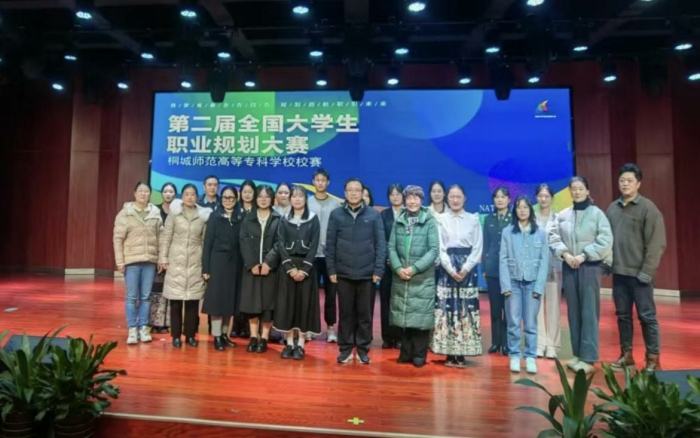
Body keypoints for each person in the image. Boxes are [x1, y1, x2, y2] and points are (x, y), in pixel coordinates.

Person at [606, 163, 667, 372]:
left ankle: (653, 360)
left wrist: (647, 272)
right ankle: (626, 355)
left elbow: (657, 244)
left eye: (630, 181)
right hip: (619, 274)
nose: (625, 184)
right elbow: (606, 240)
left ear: (638, 183)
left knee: (647, 317)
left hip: (641, 276)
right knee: (622, 316)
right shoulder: (612, 208)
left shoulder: (648, 208)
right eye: (622, 180)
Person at [549, 176, 613, 374]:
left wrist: (584, 255)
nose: (576, 192)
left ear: (587, 191)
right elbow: (553, 237)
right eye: (573, 189)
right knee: (574, 311)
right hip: (570, 266)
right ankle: (577, 354)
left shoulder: (597, 214)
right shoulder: (563, 215)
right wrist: (566, 255)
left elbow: (605, 240)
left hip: (590, 267)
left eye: (580, 189)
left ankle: (589, 357)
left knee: (588, 312)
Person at [326, 178, 386, 364]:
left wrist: (378, 269)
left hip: (367, 273)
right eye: (350, 190)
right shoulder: (336, 215)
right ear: (345, 193)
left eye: (357, 190)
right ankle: (345, 348)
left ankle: (362, 348)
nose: (353, 193)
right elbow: (330, 244)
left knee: (364, 314)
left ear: (362, 193)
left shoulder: (373, 215)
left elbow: (380, 244)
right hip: (343, 272)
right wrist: (331, 268)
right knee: (345, 313)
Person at [432, 184, 483, 366]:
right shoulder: (440, 219)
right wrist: (450, 269)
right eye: (452, 196)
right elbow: (440, 247)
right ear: (447, 198)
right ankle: (448, 351)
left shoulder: (473, 220)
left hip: (467, 269)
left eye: (458, 196)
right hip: (447, 269)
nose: (455, 200)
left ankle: (462, 352)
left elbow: (477, 247)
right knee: (447, 308)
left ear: (464, 198)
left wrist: (466, 268)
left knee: (465, 309)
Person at [388, 185, 439, 368]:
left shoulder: (429, 220)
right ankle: (406, 352)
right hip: (401, 275)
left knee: (420, 315)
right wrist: (398, 268)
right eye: (409, 198)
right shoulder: (399, 219)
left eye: (416, 198)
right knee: (404, 315)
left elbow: (433, 250)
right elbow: (391, 247)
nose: (412, 201)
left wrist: (414, 268)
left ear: (421, 200)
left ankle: (419, 354)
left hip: (421, 276)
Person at [500, 196, 549, 374]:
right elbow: (503, 259)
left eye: (525, 207)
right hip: (513, 283)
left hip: (532, 283)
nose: (522, 211)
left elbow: (544, 261)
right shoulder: (508, 232)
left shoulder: (540, 232)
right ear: (515, 210)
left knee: (530, 323)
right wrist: (505, 285)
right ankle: (514, 355)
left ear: (530, 210)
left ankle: (530, 357)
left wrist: (539, 287)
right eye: (519, 207)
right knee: (513, 322)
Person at [159, 184, 212, 348]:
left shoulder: (203, 216)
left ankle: (190, 335)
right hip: (176, 261)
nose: (190, 197)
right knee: (175, 302)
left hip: (195, 262)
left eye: (193, 194)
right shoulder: (174, 214)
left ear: (197, 196)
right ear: (182, 196)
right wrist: (163, 258)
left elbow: (205, 242)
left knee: (192, 302)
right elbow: (166, 237)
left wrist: (205, 264)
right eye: (187, 194)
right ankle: (175, 335)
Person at [113, 181, 163, 345]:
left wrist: (161, 258)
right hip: (131, 261)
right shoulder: (125, 213)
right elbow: (118, 239)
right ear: (134, 194)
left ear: (150, 194)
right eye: (140, 191)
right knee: (131, 297)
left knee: (146, 297)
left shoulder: (155, 213)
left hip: (150, 261)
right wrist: (120, 261)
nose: (143, 194)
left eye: (146, 191)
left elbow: (161, 238)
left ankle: (143, 328)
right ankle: (132, 329)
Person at [275, 186, 321, 360]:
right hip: (288, 269)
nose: (297, 199)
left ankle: (300, 345)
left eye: (300, 196)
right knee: (287, 306)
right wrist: (290, 268)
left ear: (305, 199)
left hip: (306, 269)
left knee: (304, 305)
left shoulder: (313, 219)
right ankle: (288, 343)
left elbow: (314, 245)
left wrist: (304, 269)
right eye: (294, 196)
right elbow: (280, 245)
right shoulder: (284, 219)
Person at [239, 185, 282, 354]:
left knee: (267, 304)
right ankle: (253, 336)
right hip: (252, 268)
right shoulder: (248, 218)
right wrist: (252, 264)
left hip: (270, 269)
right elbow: (243, 240)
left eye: (267, 196)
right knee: (252, 304)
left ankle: (264, 337)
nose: (263, 199)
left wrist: (268, 263)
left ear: (272, 199)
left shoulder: (278, 218)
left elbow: (279, 243)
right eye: (260, 196)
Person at [202, 186, 244, 351]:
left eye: (231, 197)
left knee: (230, 301)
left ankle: (225, 335)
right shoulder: (215, 216)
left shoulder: (240, 217)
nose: (228, 200)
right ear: (221, 199)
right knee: (217, 301)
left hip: (235, 264)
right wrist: (206, 268)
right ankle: (217, 336)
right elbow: (207, 244)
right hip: (217, 263)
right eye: (225, 197)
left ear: (236, 199)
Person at [308, 169, 342, 343]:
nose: (320, 182)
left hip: (330, 256)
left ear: (328, 182)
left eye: (323, 180)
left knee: (331, 294)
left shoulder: (335, 204)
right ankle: (310, 328)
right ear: (313, 182)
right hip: (312, 255)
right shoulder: (307, 202)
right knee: (311, 294)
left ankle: (330, 329)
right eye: (317, 180)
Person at [482, 187, 512, 355]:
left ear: (509, 200)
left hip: (509, 269)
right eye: (497, 197)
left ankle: (506, 343)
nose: (500, 200)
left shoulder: (514, 219)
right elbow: (485, 245)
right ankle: (495, 342)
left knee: (508, 308)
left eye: (503, 197)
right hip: (492, 268)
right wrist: (484, 268)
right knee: (495, 308)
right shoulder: (489, 219)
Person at [534, 184, 562, 359]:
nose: (543, 199)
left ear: (552, 198)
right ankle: (539, 344)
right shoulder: (531, 218)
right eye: (540, 196)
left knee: (553, 306)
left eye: (546, 196)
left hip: (553, 267)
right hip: (535, 268)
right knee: (536, 307)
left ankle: (552, 345)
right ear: (536, 198)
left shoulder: (558, 219)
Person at [229, 179, 256, 339]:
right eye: (244, 192)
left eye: (250, 192)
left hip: (252, 257)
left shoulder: (257, 211)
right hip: (236, 256)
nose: (247, 195)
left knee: (248, 292)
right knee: (236, 291)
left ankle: (246, 325)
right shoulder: (235, 210)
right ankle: (235, 324)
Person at [379, 183, 404, 349]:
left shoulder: (409, 213)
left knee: (401, 302)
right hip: (387, 265)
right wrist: (389, 258)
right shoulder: (384, 215)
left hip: (404, 266)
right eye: (392, 194)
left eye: (398, 194)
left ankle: (401, 336)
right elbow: (381, 240)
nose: (395, 197)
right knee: (386, 300)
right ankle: (388, 337)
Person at [151, 182, 177, 334]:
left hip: (174, 256)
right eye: (165, 191)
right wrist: (160, 257)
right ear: (161, 194)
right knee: (157, 290)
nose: (168, 194)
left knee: (171, 291)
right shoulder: (155, 210)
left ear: (175, 194)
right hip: (157, 256)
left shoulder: (178, 212)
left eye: (171, 191)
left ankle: (167, 323)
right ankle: (155, 323)